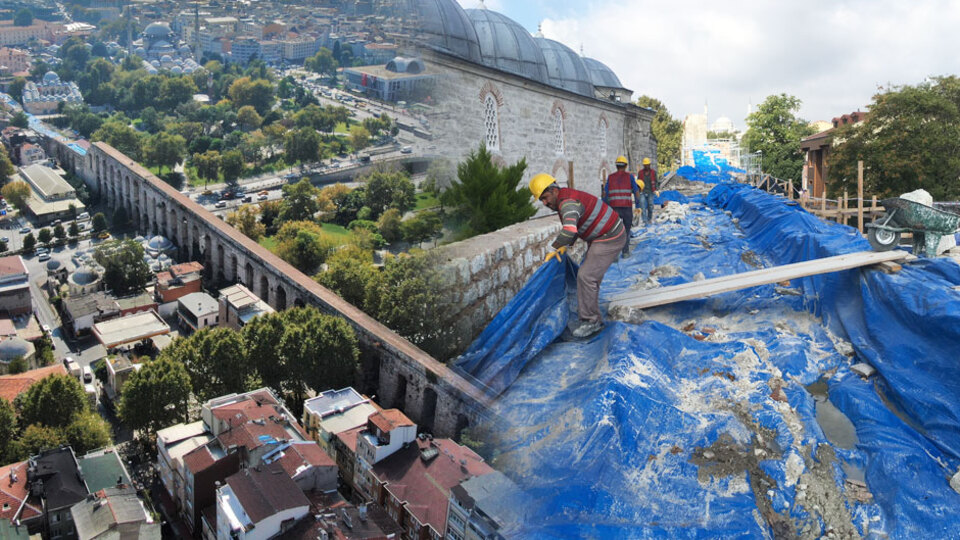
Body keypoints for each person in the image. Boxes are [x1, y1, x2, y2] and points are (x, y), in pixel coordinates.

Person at [529, 173, 625, 338]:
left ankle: (591, 321)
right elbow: (575, 226)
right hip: (603, 236)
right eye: (541, 200)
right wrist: (563, 246)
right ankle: (591, 309)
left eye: (545, 197)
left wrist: (556, 248)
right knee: (590, 275)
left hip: (609, 236)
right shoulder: (564, 199)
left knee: (586, 276)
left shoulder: (567, 203)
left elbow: (570, 229)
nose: (545, 203)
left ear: (553, 190)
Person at [603, 155, 642, 257]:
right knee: (626, 230)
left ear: (616, 166)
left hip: (614, 209)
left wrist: (606, 206)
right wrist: (638, 205)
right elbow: (636, 192)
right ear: (625, 166)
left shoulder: (610, 177)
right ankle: (625, 252)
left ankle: (615, 255)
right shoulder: (630, 177)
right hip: (626, 209)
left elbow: (604, 194)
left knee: (615, 231)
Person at [637, 158, 660, 225]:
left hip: (650, 191)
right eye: (645, 165)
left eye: (648, 165)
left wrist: (656, 189)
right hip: (642, 192)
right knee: (643, 206)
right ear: (644, 165)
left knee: (650, 206)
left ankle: (649, 219)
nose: (647, 166)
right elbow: (638, 182)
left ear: (649, 165)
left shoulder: (653, 172)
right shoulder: (640, 173)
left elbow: (656, 181)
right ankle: (645, 221)